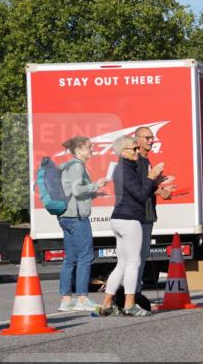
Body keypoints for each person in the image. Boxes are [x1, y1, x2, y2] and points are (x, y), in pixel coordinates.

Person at [97, 136, 163, 317]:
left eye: (136, 148)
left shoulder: (123, 168)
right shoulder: (125, 169)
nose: (137, 151)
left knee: (122, 263)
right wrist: (151, 176)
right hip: (129, 219)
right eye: (133, 149)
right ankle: (129, 304)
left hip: (118, 218)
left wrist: (153, 181)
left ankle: (107, 303)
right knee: (134, 262)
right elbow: (141, 195)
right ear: (123, 151)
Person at [56, 136, 109, 311]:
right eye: (89, 147)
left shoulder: (68, 165)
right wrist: (96, 185)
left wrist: (95, 194)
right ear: (79, 150)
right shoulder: (78, 166)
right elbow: (77, 191)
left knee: (70, 258)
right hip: (77, 217)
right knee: (86, 256)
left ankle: (65, 300)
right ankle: (82, 299)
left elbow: (71, 191)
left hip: (65, 215)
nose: (92, 150)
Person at [132, 126, 176, 308]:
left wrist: (161, 182)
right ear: (137, 140)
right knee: (138, 257)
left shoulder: (145, 161)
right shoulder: (140, 161)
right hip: (141, 215)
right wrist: (162, 191)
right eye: (147, 137)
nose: (151, 140)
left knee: (138, 257)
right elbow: (143, 188)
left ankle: (132, 293)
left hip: (145, 214)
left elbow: (147, 184)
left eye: (152, 137)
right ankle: (133, 294)